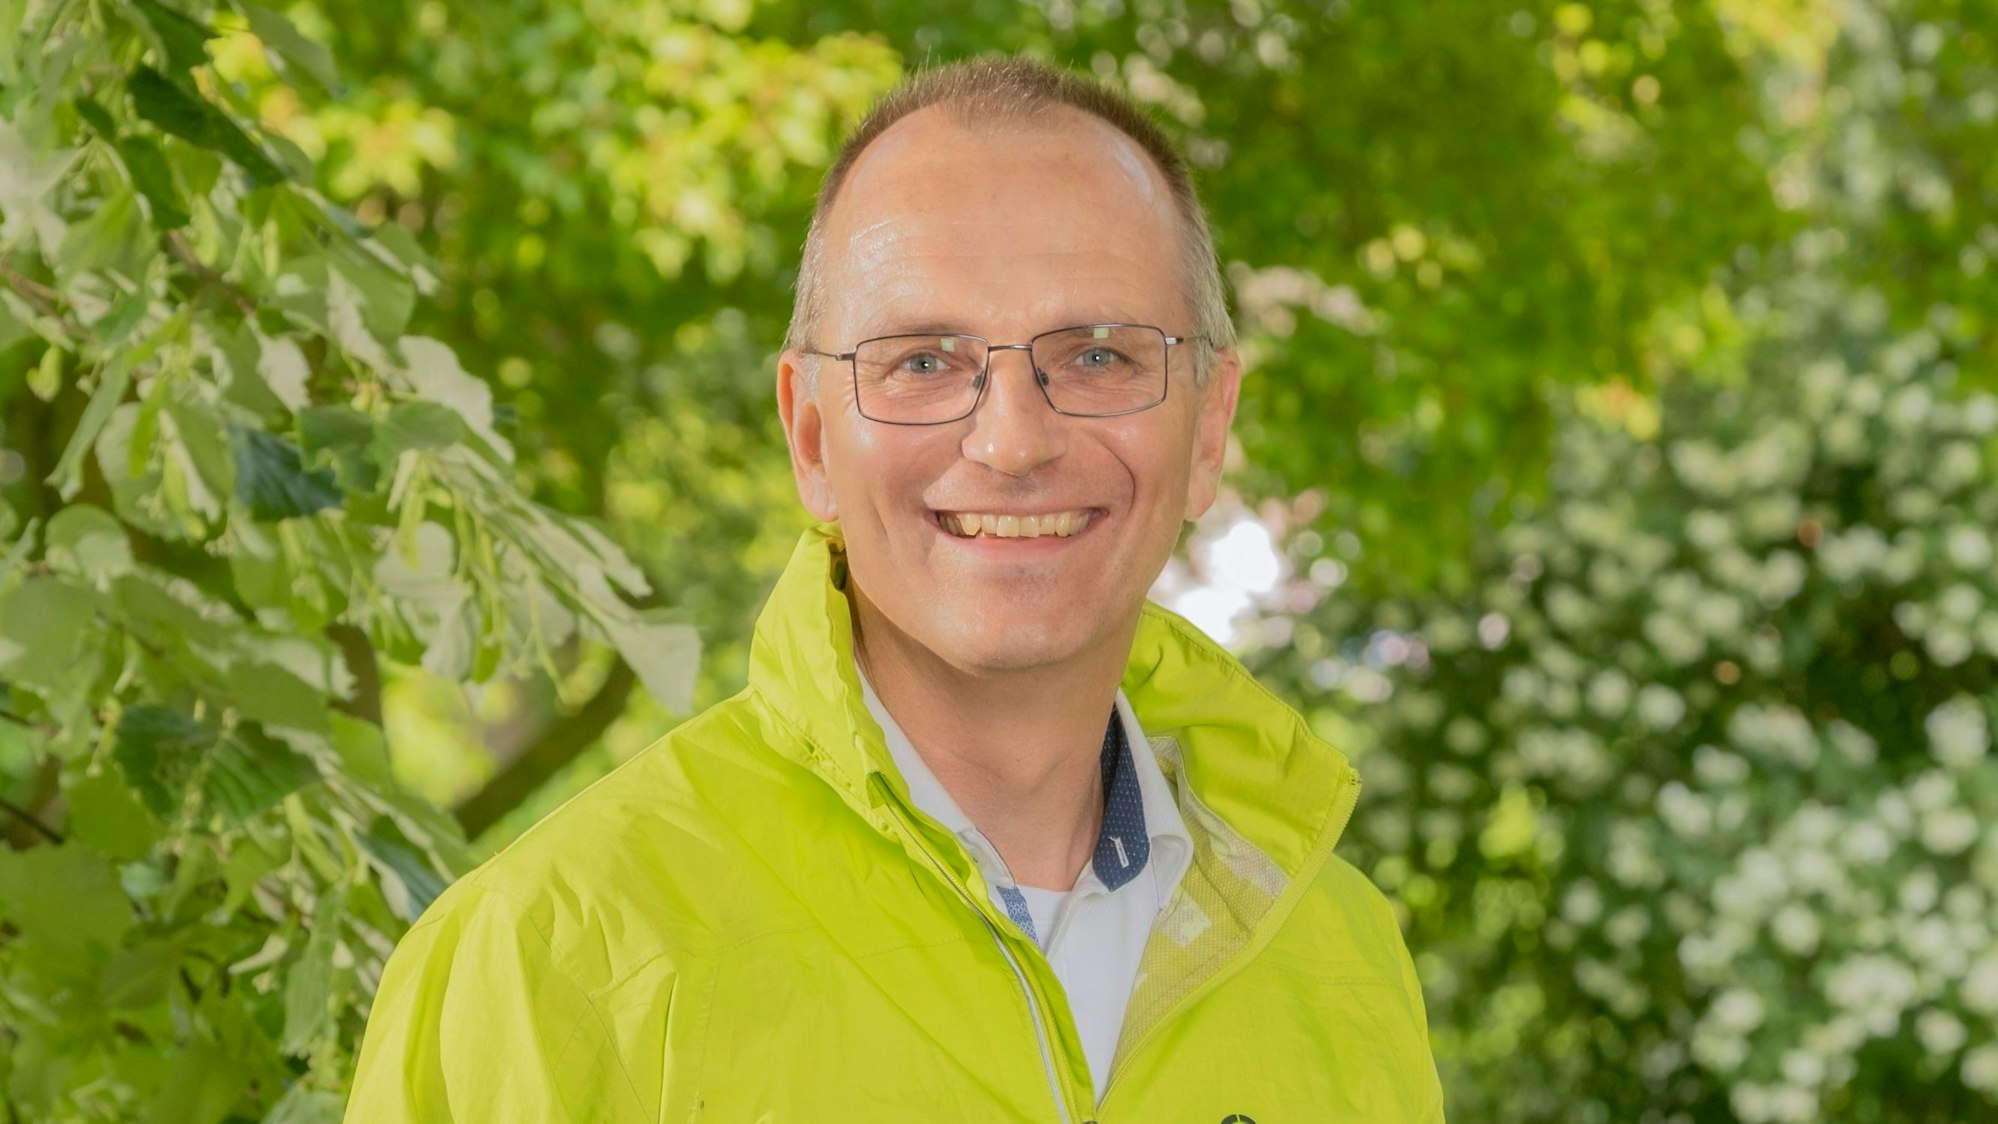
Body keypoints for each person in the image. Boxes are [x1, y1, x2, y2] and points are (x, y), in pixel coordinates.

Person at [345, 55, 1444, 1122]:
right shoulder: (550, 955)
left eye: (1100, 354)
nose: (1014, 440)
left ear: (1208, 426)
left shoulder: (1341, 958)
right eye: (924, 360)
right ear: (811, 435)